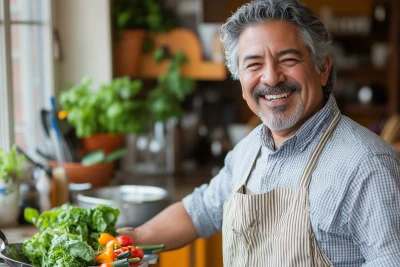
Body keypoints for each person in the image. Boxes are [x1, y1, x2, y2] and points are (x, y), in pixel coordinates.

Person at [118, 0, 400, 266]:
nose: (271, 77)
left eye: (288, 59)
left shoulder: (369, 165)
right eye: (253, 64)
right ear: (241, 81)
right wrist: (135, 239)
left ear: (323, 68)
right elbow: (200, 211)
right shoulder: (249, 150)